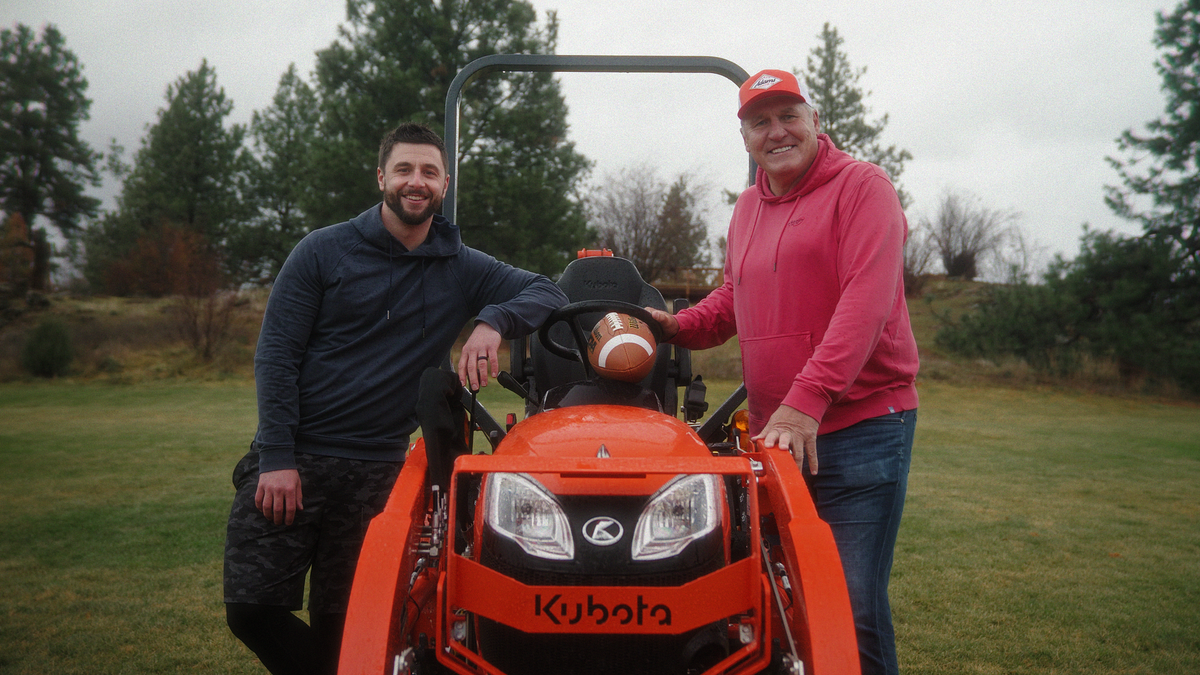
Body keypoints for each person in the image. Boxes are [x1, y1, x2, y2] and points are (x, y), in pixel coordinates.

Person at [223, 122, 568, 675]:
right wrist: (278, 459)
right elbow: (276, 356)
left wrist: (492, 322)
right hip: (297, 459)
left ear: (444, 184)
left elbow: (549, 290)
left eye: (429, 172)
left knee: (350, 627)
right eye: (404, 169)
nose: (416, 181)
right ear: (382, 176)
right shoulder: (322, 251)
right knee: (251, 609)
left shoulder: (462, 266)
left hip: (377, 473)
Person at [646, 70, 919, 675]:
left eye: (788, 116)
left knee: (848, 605)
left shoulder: (862, 188)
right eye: (759, 122)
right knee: (775, 596)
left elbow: (866, 303)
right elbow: (732, 298)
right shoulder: (747, 208)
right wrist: (673, 326)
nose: (777, 132)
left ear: (815, 121)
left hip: (857, 429)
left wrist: (809, 398)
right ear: (744, 137)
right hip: (778, 438)